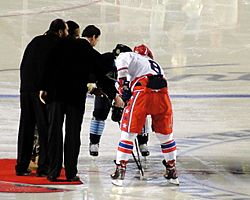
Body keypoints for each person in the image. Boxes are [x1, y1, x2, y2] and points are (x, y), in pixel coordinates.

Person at [39, 24, 103, 182]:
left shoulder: (57, 45)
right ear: (77, 34)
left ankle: (53, 172)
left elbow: (47, 66)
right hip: (75, 97)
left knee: (54, 133)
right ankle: (70, 172)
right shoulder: (83, 47)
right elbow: (98, 67)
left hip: (56, 96)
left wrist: (43, 88)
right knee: (73, 134)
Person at [110, 44, 179, 186]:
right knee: (166, 136)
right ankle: (172, 170)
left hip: (142, 93)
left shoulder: (132, 56)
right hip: (162, 95)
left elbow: (123, 58)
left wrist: (122, 83)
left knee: (128, 134)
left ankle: (120, 170)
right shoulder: (156, 65)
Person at [15, 19, 69, 177]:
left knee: (26, 127)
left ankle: (21, 165)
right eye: (65, 31)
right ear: (59, 31)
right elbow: (51, 69)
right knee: (45, 128)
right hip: (41, 92)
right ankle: (43, 166)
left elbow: (25, 65)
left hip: (25, 90)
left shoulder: (35, 41)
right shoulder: (56, 45)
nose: (66, 34)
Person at [88, 44, 150, 157]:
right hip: (107, 88)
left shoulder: (135, 65)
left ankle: (143, 142)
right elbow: (99, 79)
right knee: (99, 111)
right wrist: (114, 96)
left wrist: (125, 100)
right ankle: (94, 142)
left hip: (128, 89)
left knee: (139, 112)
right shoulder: (105, 60)